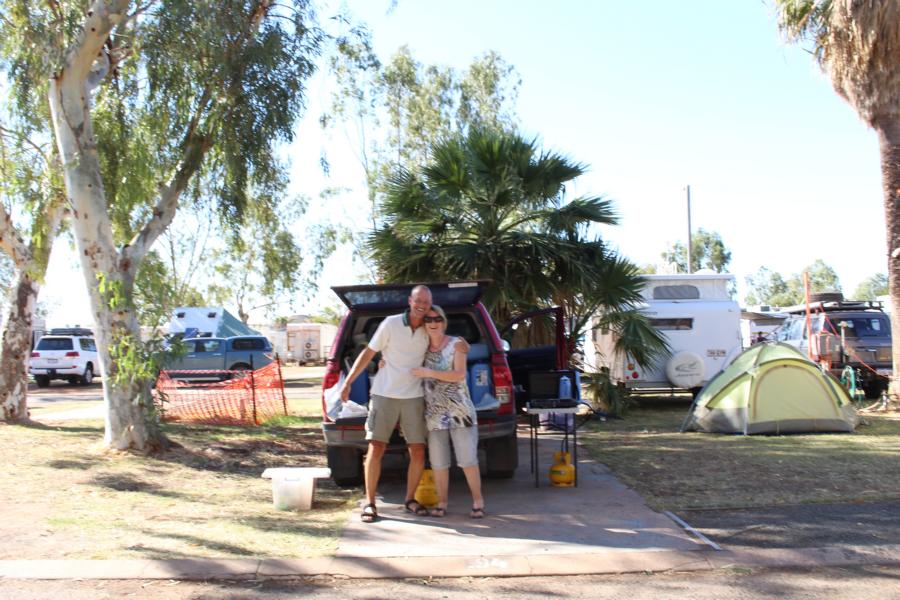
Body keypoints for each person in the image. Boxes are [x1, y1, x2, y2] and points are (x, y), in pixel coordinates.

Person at [339, 285, 433, 523]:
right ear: (410, 301)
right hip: (384, 394)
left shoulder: (430, 328)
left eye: (426, 302)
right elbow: (369, 353)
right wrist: (348, 382)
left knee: (418, 450)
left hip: (413, 397)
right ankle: (370, 503)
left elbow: (444, 346)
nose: (422, 305)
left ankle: (410, 500)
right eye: (418, 300)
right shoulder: (391, 324)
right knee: (376, 447)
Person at [411, 305, 485, 519]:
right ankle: (441, 503)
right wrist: (384, 363)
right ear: (423, 324)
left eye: (437, 319)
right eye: (428, 320)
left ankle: (478, 501)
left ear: (443, 322)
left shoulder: (456, 344)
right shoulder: (420, 348)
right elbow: (403, 363)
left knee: (467, 459)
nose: (433, 323)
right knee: (438, 463)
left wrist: (429, 372)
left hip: (460, 411)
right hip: (434, 414)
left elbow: (459, 374)